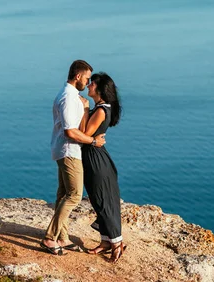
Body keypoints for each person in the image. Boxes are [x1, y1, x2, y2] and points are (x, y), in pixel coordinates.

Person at [41, 60, 106, 256]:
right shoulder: (68, 98)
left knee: (63, 195)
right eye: (86, 78)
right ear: (78, 76)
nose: (88, 83)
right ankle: (49, 238)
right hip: (69, 151)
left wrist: (84, 107)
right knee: (74, 195)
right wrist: (93, 142)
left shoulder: (72, 96)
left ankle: (62, 237)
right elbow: (70, 131)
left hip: (65, 150)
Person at [79, 72, 126, 263]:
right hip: (96, 157)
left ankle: (117, 244)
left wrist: (84, 109)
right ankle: (106, 241)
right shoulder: (102, 108)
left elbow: (84, 133)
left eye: (92, 84)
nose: (88, 85)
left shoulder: (99, 110)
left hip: (95, 160)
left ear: (99, 89)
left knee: (103, 201)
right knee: (99, 200)